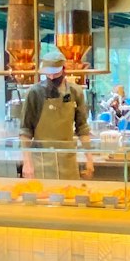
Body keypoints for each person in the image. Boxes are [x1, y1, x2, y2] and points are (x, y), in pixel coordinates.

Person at [21, 46, 93, 179]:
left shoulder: (75, 92)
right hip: (41, 162)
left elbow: (82, 128)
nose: (52, 77)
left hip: (68, 162)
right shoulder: (34, 93)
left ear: (64, 70)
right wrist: (27, 162)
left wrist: (89, 158)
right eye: (48, 73)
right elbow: (25, 132)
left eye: (56, 73)